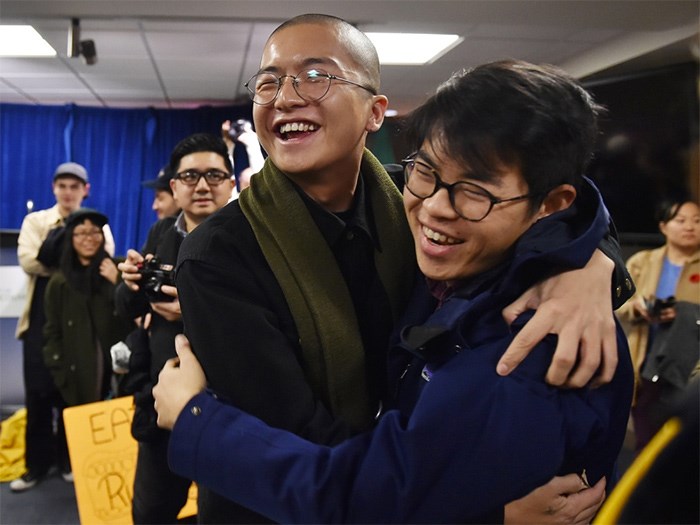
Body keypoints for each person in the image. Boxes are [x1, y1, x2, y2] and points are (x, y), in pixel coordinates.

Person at [174, 14, 631, 523]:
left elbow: (557, 202)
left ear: (375, 113)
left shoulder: (411, 208)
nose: (285, 97)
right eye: (268, 82)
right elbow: (309, 446)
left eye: (315, 76)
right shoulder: (221, 254)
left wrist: (589, 267)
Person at [115, 133, 235, 524]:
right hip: (161, 399)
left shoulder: (252, 238)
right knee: (151, 512)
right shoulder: (162, 233)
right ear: (175, 186)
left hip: (230, 402)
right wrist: (131, 283)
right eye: (191, 176)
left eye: (215, 175)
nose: (202, 185)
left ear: (231, 183)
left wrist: (192, 313)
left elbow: (274, 317)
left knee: (221, 513)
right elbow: (128, 307)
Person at [11, 162, 115, 492]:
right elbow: (28, 259)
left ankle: (72, 458)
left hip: (82, 320)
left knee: (78, 391)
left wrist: (73, 254)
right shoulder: (36, 221)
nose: (68, 192)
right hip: (41, 317)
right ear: (54, 188)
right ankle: (36, 465)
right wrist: (72, 261)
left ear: (85, 190)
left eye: (75, 187)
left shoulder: (96, 221)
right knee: (39, 393)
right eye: (62, 186)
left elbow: (105, 253)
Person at [616, 199, 700, 453]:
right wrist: (637, 307)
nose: (690, 227)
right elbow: (615, 305)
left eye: (697, 221)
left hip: (693, 367)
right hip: (645, 362)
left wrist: (686, 314)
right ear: (663, 226)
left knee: (688, 446)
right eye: (681, 220)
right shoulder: (642, 261)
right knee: (646, 442)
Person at [42, 208, 133, 407]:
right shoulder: (60, 282)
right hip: (77, 377)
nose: (89, 238)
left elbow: (136, 311)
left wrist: (116, 280)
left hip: (119, 371)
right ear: (70, 238)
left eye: (95, 232)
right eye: (81, 233)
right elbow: (52, 333)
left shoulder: (118, 267)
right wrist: (61, 375)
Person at [220, 119, 266, 196]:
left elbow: (260, 180)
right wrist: (228, 143)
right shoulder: (234, 202)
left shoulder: (266, 202)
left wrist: (251, 141)